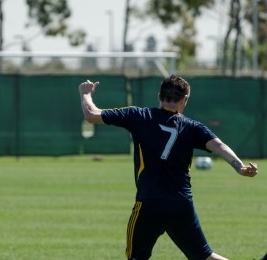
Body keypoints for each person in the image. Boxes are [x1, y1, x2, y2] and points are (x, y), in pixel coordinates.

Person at [78, 75, 258, 260]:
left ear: (159, 96)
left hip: (150, 204)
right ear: (184, 99)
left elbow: (91, 115)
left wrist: (86, 95)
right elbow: (220, 146)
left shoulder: (139, 116)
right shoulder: (192, 127)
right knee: (205, 257)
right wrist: (240, 167)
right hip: (181, 205)